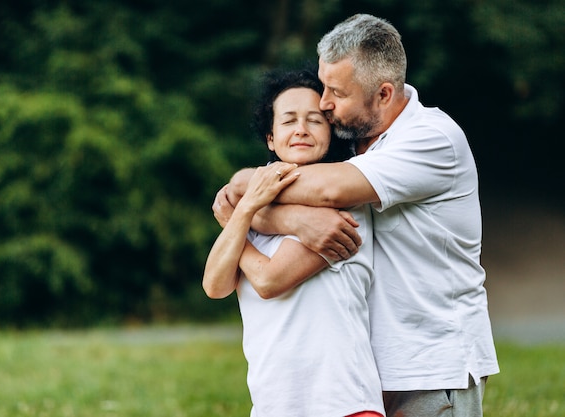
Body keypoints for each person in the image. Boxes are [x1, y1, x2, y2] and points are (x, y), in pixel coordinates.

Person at [214, 14, 499, 417]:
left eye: (336, 92)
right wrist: (292, 221)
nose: (324, 103)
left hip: (431, 365)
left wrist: (247, 196)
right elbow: (266, 188)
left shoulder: (430, 139)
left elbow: (323, 189)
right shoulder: (358, 148)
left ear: (383, 94)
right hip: (371, 371)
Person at [203, 67, 385, 417]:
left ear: (331, 133)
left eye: (315, 120)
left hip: (342, 402)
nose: (301, 129)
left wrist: (237, 217)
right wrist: (242, 214)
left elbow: (271, 280)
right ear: (271, 138)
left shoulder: (346, 202)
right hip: (276, 403)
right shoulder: (254, 210)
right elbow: (214, 286)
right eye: (289, 121)